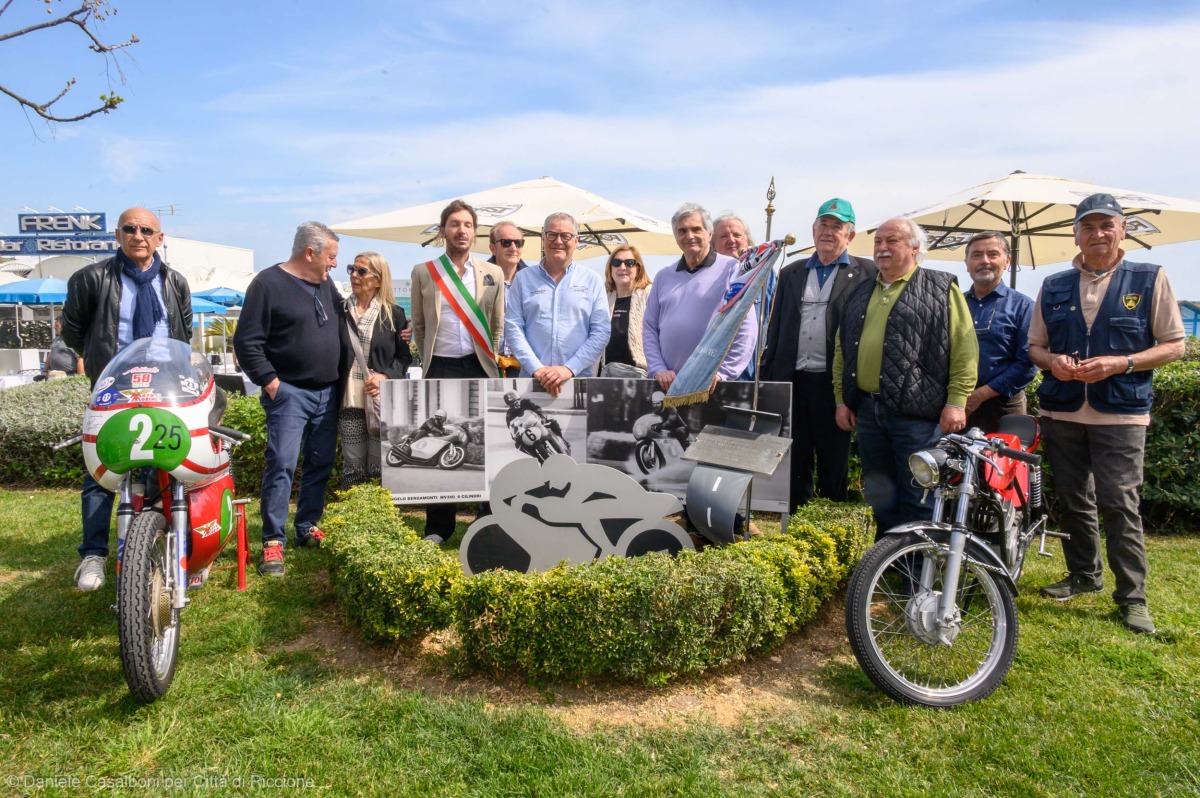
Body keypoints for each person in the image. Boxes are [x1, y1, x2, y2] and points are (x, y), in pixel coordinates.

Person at [1028, 193, 1185, 635]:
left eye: (1105, 226)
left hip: (1121, 413)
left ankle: (1132, 597)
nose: (1097, 234)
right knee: (1075, 500)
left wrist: (1122, 363)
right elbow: (1035, 347)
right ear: (1075, 234)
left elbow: (1175, 344)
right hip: (1063, 410)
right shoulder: (1054, 284)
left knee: (1119, 502)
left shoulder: (1149, 278)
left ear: (1122, 229)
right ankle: (1083, 574)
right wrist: (1051, 361)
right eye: (1087, 227)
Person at [61, 207, 193, 590]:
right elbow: (73, 331)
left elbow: (182, 333)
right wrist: (104, 362)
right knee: (102, 471)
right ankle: (93, 555)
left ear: (160, 238)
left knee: (162, 465)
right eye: (130, 229)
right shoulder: (91, 278)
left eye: (147, 230)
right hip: (113, 387)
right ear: (118, 235)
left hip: (164, 388)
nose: (139, 235)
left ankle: (149, 541)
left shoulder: (174, 281)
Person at [833, 217, 978, 537]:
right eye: (878, 242)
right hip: (869, 413)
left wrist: (957, 401)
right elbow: (843, 351)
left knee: (919, 494)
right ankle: (887, 566)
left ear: (915, 247)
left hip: (918, 417)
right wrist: (842, 400)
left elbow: (964, 347)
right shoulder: (860, 292)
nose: (882, 248)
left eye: (892, 241)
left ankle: (918, 570)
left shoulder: (941, 287)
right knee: (881, 496)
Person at [234, 221, 347, 577]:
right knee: (281, 464)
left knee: (320, 463)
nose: (334, 265)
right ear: (309, 252)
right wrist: (270, 382)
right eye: (331, 257)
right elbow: (246, 342)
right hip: (290, 393)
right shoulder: (268, 284)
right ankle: (273, 541)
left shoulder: (327, 287)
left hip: (327, 393)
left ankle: (307, 526)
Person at [761, 198, 876, 512]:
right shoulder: (791, 272)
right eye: (823, 225)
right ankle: (796, 519)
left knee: (833, 458)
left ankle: (830, 520)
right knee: (795, 457)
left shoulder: (867, 272)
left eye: (836, 226)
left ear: (849, 236)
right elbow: (776, 326)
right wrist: (771, 378)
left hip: (833, 383)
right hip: (793, 380)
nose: (828, 232)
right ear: (813, 230)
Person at [410, 200, 504, 544]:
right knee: (438, 442)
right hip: (441, 365)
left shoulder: (493, 274)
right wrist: (430, 361)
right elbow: (419, 326)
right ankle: (438, 528)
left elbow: (496, 328)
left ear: (474, 232)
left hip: (480, 366)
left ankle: (490, 520)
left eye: (467, 224)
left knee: (487, 442)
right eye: (454, 224)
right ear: (443, 230)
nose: (461, 230)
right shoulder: (425, 271)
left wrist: (489, 357)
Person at [643, 203, 757, 391]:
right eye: (682, 231)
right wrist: (657, 368)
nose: (689, 236)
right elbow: (649, 328)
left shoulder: (732, 269)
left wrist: (723, 373)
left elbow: (746, 325)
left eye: (696, 229)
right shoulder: (663, 277)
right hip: (668, 385)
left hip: (713, 386)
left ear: (709, 234)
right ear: (676, 238)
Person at [504, 212, 610, 397]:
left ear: (576, 240)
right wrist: (537, 369)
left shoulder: (592, 280)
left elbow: (601, 332)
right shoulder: (522, 279)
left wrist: (569, 368)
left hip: (577, 381)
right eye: (552, 234)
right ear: (542, 238)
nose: (558, 240)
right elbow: (513, 328)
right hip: (530, 382)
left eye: (565, 236)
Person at [340, 252, 412, 488]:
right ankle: (351, 516)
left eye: (362, 271)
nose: (354, 275)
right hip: (347, 398)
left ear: (379, 280)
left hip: (379, 398)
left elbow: (404, 358)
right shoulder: (339, 310)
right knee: (352, 465)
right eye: (352, 269)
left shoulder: (394, 314)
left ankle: (376, 517)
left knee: (378, 466)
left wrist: (384, 377)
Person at [961, 231, 1037, 432]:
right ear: (966, 263)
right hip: (957, 405)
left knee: (1003, 463)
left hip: (1005, 406)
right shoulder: (954, 304)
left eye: (993, 254)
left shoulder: (1024, 306)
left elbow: (1028, 363)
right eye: (976, 255)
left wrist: (981, 394)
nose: (984, 261)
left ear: (1007, 261)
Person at [714, 212, 774, 381]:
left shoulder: (765, 274)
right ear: (713, 244)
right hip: (710, 367)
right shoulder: (706, 276)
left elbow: (772, 317)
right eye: (723, 236)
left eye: (737, 235)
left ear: (747, 240)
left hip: (750, 371)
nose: (731, 240)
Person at [599, 246, 652, 377]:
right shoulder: (603, 297)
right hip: (606, 377)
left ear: (638, 268)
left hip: (641, 376)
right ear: (610, 268)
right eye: (616, 263)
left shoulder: (649, 294)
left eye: (629, 263)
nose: (622, 267)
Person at [487, 221, 529, 377]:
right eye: (506, 243)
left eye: (518, 243)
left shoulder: (535, 281)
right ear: (493, 248)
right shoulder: (477, 279)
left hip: (525, 365)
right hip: (488, 364)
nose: (513, 248)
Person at [503, 390, 567, 455]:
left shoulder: (526, 403)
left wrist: (542, 417)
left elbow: (537, 409)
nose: (516, 405)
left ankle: (562, 440)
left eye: (516, 402)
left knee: (553, 422)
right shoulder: (509, 415)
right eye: (512, 405)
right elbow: (511, 428)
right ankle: (537, 457)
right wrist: (515, 436)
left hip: (536, 422)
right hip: (525, 431)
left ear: (519, 399)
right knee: (518, 445)